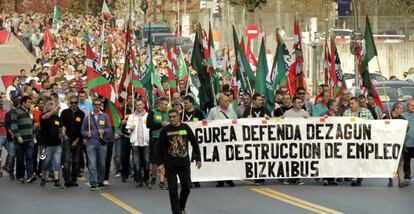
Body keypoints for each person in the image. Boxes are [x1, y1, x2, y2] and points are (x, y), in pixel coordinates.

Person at [157, 109, 201, 214]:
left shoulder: (185, 128)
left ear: (178, 117)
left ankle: (181, 207)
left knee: (186, 187)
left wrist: (198, 158)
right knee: (173, 189)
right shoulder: (165, 130)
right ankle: (176, 211)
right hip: (170, 164)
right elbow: (158, 148)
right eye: (170, 117)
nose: (171, 119)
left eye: (174, 117)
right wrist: (160, 163)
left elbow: (194, 143)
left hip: (184, 164)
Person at [81, 98, 113, 191]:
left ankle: (100, 181)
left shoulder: (104, 116)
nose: (97, 106)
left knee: (102, 163)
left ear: (101, 105)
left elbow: (110, 129)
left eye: (99, 104)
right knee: (92, 163)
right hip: (91, 143)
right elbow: (83, 130)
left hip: (102, 143)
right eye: (95, 104)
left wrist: (104, 130)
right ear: (93, 105)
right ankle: (93, 183)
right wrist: (87, 134)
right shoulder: (88, 117)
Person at [342, 97, 373, 186]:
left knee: (361, 159)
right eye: (350, 104)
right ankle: (354, 176)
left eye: (352, 103)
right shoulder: (346, 112)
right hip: (351, 139)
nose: (351, 106)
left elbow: (372, 124)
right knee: (353, 158)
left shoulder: (366, 112)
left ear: (357, 103)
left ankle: (359, 175)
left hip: (363, 139)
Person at [208, 94, 236, 187]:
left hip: (229, 140)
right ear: (220, 101)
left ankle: (229, 179)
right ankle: (220, 180)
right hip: (218, 140)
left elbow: (236, 121)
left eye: (228, 101)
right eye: (225, 101)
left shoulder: (231, 109)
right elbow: (208, 123)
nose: (228, 103)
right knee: (219, 160)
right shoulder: (213, 111)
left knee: (229, 159)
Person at [60, 95, 85, 187]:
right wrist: (64, 134)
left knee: (76, 161)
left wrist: (77, 140)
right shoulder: (65, 112)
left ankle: (74, 179)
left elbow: (83, 128)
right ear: (69, 103)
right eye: (72, 102)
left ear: (77, 103)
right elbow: (60, 124)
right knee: (66, 161)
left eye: (75, 102)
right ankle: (67, 180)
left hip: (77, 139)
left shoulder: (81, 114)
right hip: (67, 138)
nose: (73, 104)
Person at [10, 96, 36, 183]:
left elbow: (32, 124)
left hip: (30, 139)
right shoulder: (15, 111)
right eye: (28, 102)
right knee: (20, 158)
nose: (30, 104)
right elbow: (13, 125)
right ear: (23, 102)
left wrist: (34, 136)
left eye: (30, 102)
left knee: (29, 157)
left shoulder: (30, 111)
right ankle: (20, 176)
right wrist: (18, 136)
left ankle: (30, 176)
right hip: (20, 140)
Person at [39, 101, 63, 189]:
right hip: (46, 144)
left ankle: (56, 181)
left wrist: (62, 131)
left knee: (56, 163)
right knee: (45, 162)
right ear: (50, 108)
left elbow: (60, 127)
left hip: (57, 144)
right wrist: (54, 110)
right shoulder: (43, 116)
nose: (56, 108)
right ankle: (43, 179)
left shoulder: (56, 117)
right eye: (54, 107)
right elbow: (45, 117)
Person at [384, 102, 409, 188]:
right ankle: (390, 179)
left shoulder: (402, 119)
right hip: (387, 143)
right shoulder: (386, 117)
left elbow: (406, 130)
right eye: (401, 109)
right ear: (396, 109)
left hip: (398, 144)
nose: (402, 110)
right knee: (390, 162)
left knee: (400, 162)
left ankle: (401, 180)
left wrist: (407, 126)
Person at [126, 100, 150, 187]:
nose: (139, 107)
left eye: (140, 105)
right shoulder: (131, 116)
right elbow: (127, 129)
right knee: (136, 162)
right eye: (137, 105)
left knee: (147, 161)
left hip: (146, 142)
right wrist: (130, 129)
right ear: (135, 106)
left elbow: (151, 127)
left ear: (143, 105)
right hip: (135, 142)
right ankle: (139, 180)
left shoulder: (148, 116)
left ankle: (146, 178)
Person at [147, 97, 170, 190]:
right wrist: (161, 125)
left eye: (167, 105)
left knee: (164, 160)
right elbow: (149, 125)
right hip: (155, 139)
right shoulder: (152, 113)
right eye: (165, 105)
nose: (166, 106)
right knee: (155, 161)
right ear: (160, 105)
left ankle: (162, 181)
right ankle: (153, 177)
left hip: (166, 140)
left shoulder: (168, 114)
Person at [182, 95, 204, 188]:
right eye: (184, 103)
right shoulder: (181, 113)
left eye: (186, 103)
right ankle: (188, 180)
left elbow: (203, 123)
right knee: (187, 160)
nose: (185, 104)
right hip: (185, 140)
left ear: (191, 103)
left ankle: (196, 180)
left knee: (195, 159)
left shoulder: (198, 113)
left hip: (196, 139)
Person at [322, 99, 339, 186]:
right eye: (336, 106)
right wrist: (323, 119)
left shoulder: (338, 115)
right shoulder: (324, 115)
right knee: (326, 160)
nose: (337, 107)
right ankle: (325, 178)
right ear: (331, 107)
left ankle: (332, 178)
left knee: (334, 160)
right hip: (326, 140)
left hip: (336, 140)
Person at [403, 99, 414, 183]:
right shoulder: (403, 116)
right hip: (406, 143)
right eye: (410, 105)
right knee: (406, 162)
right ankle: (407, 176)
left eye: (413, 105)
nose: (412, 107)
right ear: (407, 106)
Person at [0, 96, 8, 177]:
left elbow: (8, 122)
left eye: (2, 102)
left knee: (12, 153)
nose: (1, 103)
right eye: (0, 102)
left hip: (7, 135)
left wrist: (4, 123)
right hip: (0, 136)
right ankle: (0, 170)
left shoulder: (5, 111)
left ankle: (6, 166)